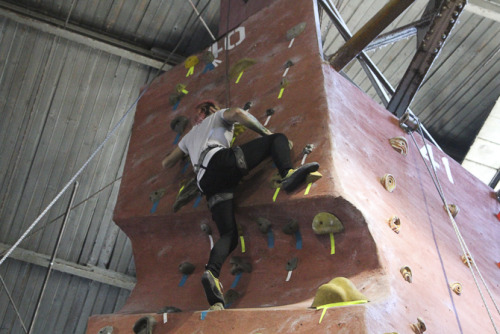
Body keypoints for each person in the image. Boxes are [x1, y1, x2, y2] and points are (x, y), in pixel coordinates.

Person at [162, 100, 319, 310]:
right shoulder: (216, 117)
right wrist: (265, 132)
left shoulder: (188, 137)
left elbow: (167, 163)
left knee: (229, 235)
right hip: (218, 161)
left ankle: (213, 273)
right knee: (277, 140)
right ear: (208, 110)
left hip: (205, 183)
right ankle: (288, 174)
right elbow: (236, 113)